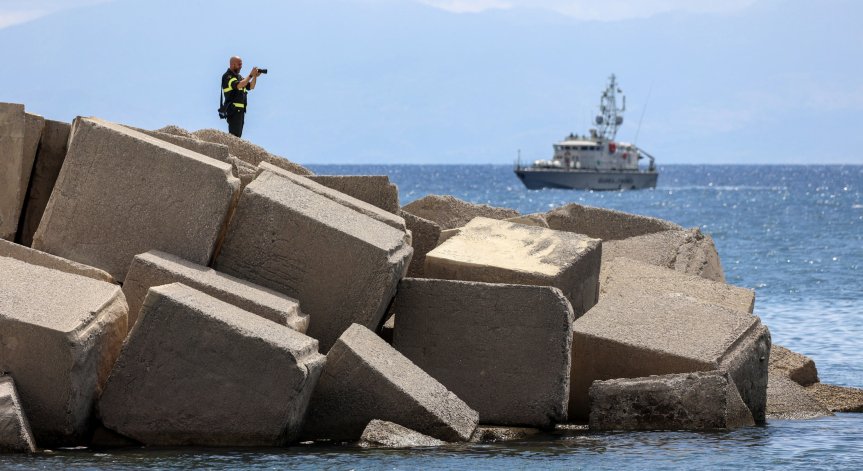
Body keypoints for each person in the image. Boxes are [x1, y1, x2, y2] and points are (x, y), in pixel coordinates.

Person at [221, 56, 262, 138]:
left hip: (240, 111)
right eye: (239, 64)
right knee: (234, 135)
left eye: (241, 64)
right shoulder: (227, 76)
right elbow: (239, 85)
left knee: (238, 136)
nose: (241, 66)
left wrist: (255, 76)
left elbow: (251, 86)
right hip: (233, 110)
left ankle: (232, 149)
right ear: (233, 64)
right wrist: (250, 75)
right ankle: (230, 149)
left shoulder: (239, 77)